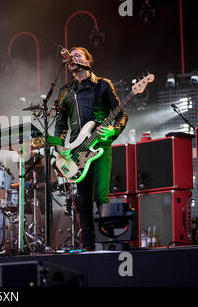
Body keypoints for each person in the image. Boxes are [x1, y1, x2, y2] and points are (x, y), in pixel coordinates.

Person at [54, 47, 128, 251]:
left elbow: (122, 115)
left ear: (88, 61)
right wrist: (61, 148)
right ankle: (88, 245)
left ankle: (108, 243)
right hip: (76, 151)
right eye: (72, 55)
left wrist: (112, 130)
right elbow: (61, 126)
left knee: (101, 195)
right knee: (82, 199)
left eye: (78, 54)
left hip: (100, 145)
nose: (73, 57)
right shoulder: (65, 92)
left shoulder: (103, 85)